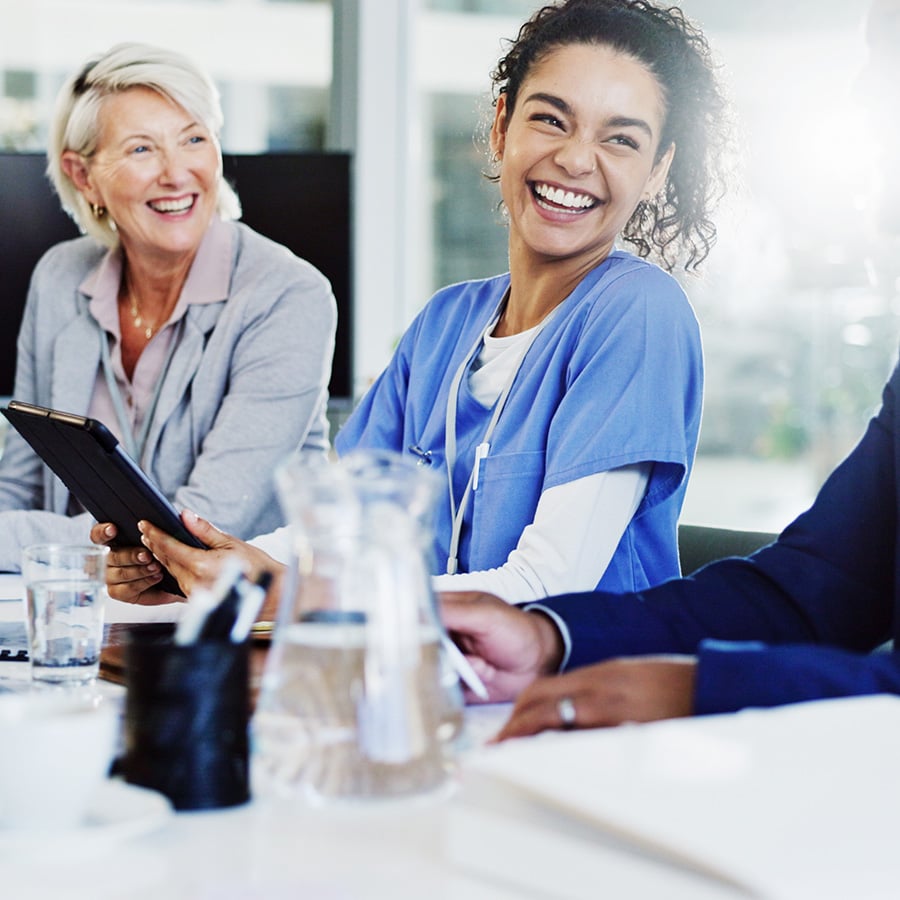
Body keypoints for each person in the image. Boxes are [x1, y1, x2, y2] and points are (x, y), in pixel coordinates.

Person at [98, 0, 731, 608]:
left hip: (582, 678)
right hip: (426, 669)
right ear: (502, 126)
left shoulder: (638, 313)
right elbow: (337, 530)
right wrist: (204, 564)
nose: (574, 158)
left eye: (620, 140)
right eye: (550, 120)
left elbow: (547, 586)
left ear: (656, 171)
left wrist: (288, 589)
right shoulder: (444, 325)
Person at [438, 0, 900, 742]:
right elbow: (813, 591)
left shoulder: (634, 309)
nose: (860, 103)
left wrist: (702, 687)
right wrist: (553, 637)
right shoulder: (450, 318)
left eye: (881, 77)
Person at [0, 42, 336, 571]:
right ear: (83, 176)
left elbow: (195, 533)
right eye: (141, 149)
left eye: (194, 139)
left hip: (237, 610)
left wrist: (29, 544)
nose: (177, 173)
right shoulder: (60, 278)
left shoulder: (288, 295)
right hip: (79, 601)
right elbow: (19, 486)